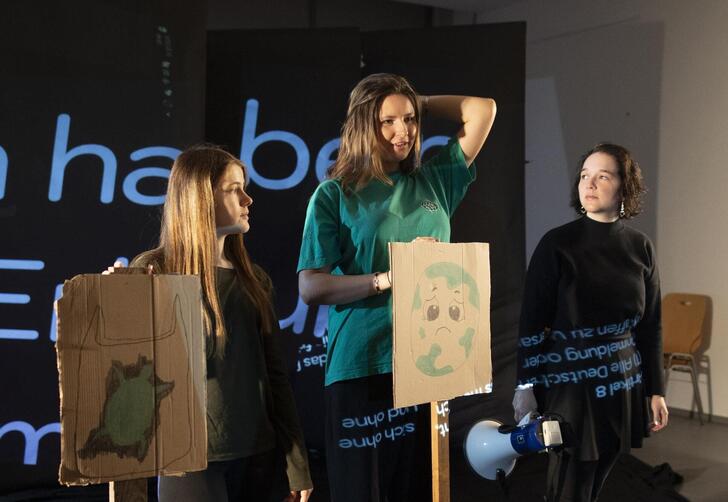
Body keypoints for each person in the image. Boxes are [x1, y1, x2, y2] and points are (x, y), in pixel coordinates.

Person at [296, 73, 496, 501]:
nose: (401, 132)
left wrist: (418, 100)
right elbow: (311, 286)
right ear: (363, 124)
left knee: (417, 489)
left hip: (428, 360)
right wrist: (386, 279)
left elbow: (483, 109)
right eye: (387, 120)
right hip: (361, 364)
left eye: (409, 120)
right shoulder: (335, 194)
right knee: (361, 492)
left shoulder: (435, 181)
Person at [111, 145, 312, 502]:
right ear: (200, 198)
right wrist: (117, 295)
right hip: (186, 459)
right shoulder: (154, 270)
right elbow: (123, 366)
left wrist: (296, 464)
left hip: (257, 458)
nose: (248, 199)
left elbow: (276, 375)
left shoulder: (255, 280)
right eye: (234, 189)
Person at [512, 143, 669, 502]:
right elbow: (532, 322)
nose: (590, 183)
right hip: (571, 382)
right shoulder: (557, 244)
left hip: (623, 379)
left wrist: (655, 390)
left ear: (624, 187)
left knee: (599, 477)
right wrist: (525, 386)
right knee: (570, 484)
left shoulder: (640, 247)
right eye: (585, 175)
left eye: (603, 176)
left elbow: (651, 324)